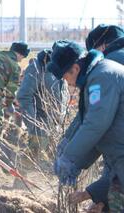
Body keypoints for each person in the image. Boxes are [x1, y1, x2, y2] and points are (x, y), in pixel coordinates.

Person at [48, 40, 124, 213]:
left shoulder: (101, 78)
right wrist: (78, 163)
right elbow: (102, 133)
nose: (66, 83)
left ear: (75, 68)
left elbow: (96, 124)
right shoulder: (98, 75)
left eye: (65, 77)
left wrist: (69, 157)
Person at [17, 49, 68, 159]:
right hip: (40, 123)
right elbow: (24, 96)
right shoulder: (37, 69)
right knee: (33, 157)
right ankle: (21, 174)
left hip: (56, 123)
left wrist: (61, 117)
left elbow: (62, 94)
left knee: (53, 160)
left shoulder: (59, 68)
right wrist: (33, 123)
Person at [0, 42, 30, 132]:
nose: (21, 60)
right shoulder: (15, 67)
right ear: (19, 54)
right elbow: (11, 90)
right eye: (23, 57)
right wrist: (8, 103)